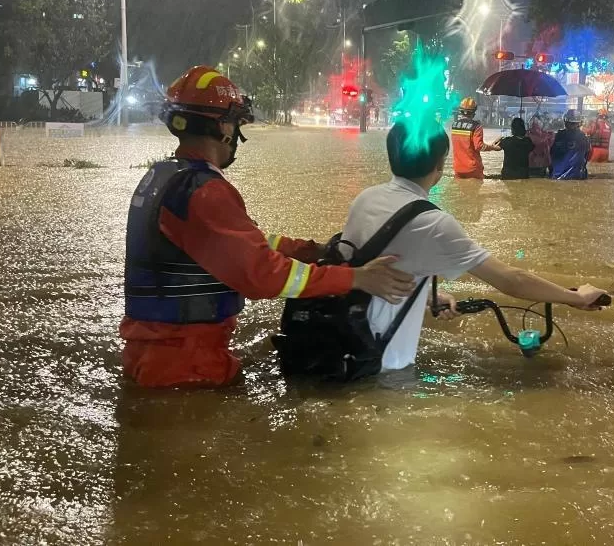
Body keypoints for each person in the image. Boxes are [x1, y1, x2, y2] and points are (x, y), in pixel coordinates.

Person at [120, 66, 415, 388]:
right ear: (222, 127)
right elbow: (262, 274)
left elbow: (241, 245)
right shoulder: (204, 192)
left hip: (157, 354)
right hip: (186, 365)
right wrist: (356, 278)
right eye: (236, 122)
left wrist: (310, 251)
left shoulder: (167, 177)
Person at [336, 120, 610, 372]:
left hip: (343, 342)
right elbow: (511, 280)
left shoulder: (366, 198)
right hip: (382, 363)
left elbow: (368, 270)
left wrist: (426, 296)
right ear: (439, 166)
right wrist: (577, 298)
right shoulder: (432, 222)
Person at [450, 96, 495, 179]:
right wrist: (493, 147)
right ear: (474, 113)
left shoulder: (454, 125)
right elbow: (479, 146)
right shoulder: (476, 126)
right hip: (473, 169)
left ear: (460, 111)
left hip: (458, 168)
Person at [550, 109, 591, 180]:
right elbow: (588, 155)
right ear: (578, 123)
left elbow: (551, 154)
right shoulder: (583, 137)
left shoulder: (559, 135)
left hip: (558, 175)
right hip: (578, 176)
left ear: (565, 121)